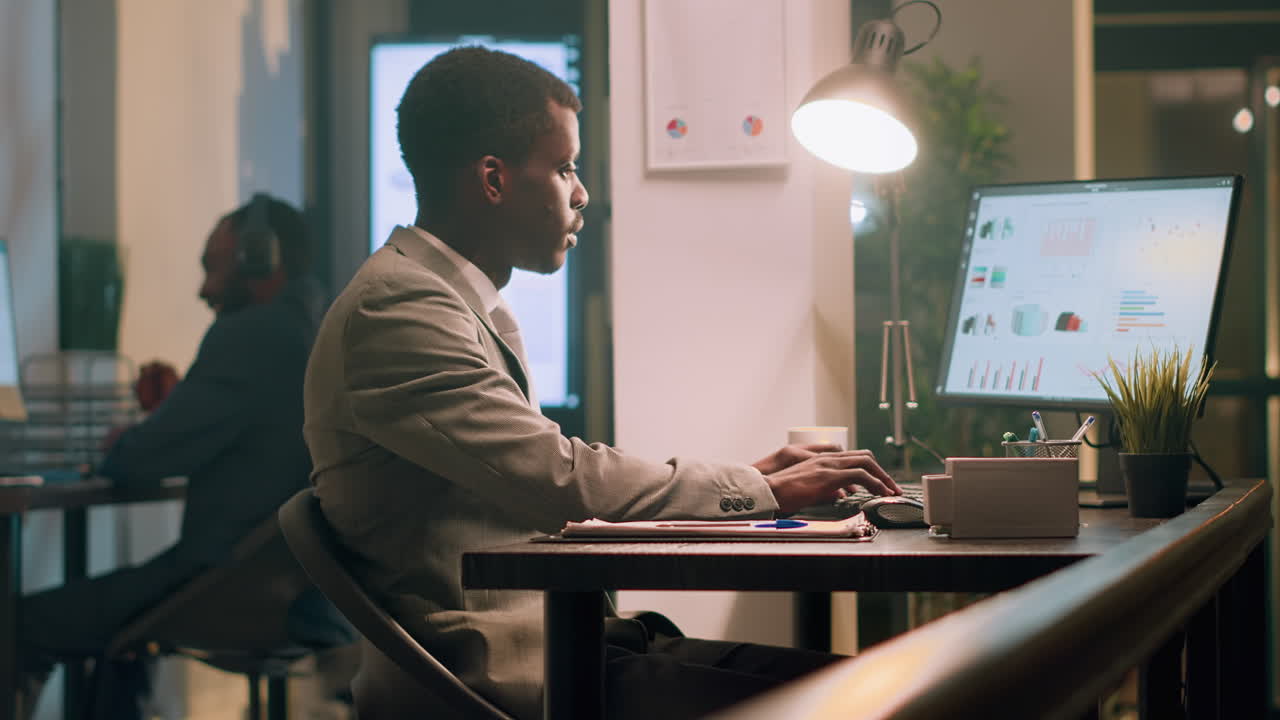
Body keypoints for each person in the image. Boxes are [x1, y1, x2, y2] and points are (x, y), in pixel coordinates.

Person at [303, 46, 900, 720]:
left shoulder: (446, 300)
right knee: (880, 699)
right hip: (511, 679)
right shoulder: (398, 309)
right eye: (563, 168)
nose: (581, 193)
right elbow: (564, 480)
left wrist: (752, 479)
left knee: (880, 685)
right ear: (493, 179)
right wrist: (757, 490)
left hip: (578, 649)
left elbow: (547, 484)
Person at [20, 195, 349, 719]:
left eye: (212, 269)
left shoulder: (251, 335)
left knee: (20, 626)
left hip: (230, 588)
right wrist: (176, 411)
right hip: (306, 590)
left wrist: (126, 441)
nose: (204, 290)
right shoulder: (322, 327)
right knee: (116, 631)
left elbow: (135, 463)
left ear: (259, 259)